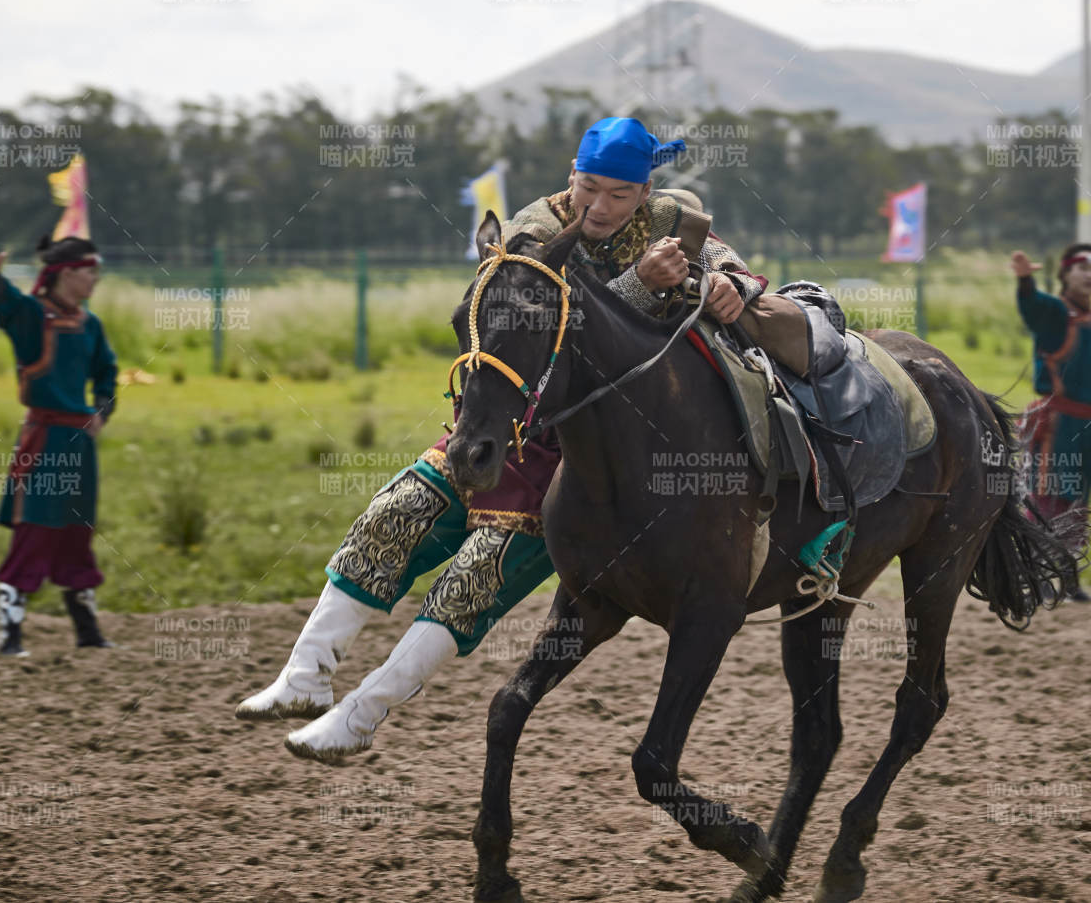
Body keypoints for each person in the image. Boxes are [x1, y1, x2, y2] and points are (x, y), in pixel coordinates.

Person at [237, 117, 765, 761]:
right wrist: (640, 284)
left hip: (584, 453)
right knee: (390, 515)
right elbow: (548, 323)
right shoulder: (530, 232)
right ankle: (302, 678)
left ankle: (360, 713)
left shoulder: (674, 217)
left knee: (475, 574)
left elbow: (733, 266)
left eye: (617, 195)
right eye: (586, 185)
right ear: (571, 174)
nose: (597, 206)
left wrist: (728, 286)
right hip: (497, 420)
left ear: (644, 191)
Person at [0, 235, 118, 655]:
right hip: (46, 442)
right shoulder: (33, 316)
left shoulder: (90, 324)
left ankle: (87, 632)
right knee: (35, 531)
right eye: (89, 271)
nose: (95, 279)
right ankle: (10, 637)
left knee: (77, 533)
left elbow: (107, 372)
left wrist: (101, 411)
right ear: (66, 273)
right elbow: (7, 307)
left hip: (80, 445)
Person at [1009, 244, 1091, 602]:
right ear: (1066, 274)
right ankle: (1034, 575)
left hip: (1087, 428)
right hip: (1056, 426)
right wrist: (1025, 280)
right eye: (1082, 269)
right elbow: (1032, 308)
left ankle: (1070, 580)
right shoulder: (1056, 313)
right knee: (1047, 498)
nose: (1090, 276)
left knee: (1078, 501)